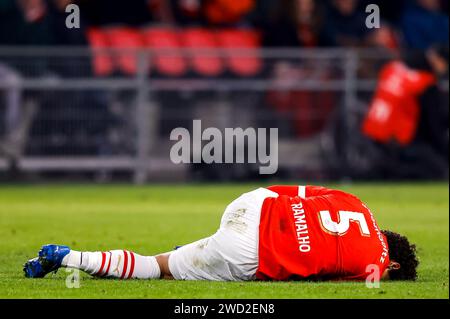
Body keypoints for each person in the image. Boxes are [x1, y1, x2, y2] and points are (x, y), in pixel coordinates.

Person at [23, 185, 418, 281]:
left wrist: (258, 203)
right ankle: (70, 258)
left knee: (195, 252)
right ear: (393, 260)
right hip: (250, 251)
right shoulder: (374, 265)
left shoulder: (354, 200)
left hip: (252, 202)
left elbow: (291, 190)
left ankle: (206, 248)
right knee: (160, 268)